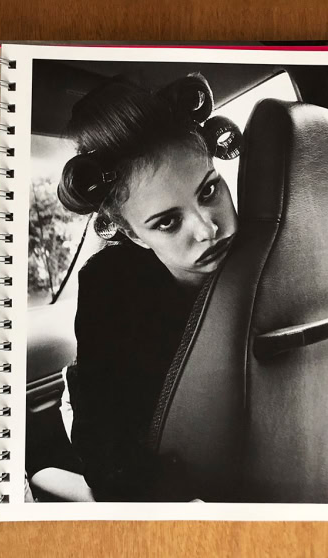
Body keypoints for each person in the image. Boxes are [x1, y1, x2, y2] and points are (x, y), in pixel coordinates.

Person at [57, 75, 239, 501]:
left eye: (210, 191)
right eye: (168, 222)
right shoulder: (108, 285)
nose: (208, 228)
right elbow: (102, 443)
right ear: (133, 234)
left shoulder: (271, 245)